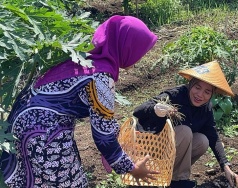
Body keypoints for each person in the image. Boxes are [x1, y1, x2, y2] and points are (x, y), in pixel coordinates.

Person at [0, 15, 159, 187]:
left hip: (25, 122)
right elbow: (103, 136)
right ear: (126, 46)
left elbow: (103, 120)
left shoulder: (85, 60)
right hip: (43, 131)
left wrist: (117, 138)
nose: (138, 59)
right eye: (138, 51)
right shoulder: (100, 78)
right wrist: (132, 168)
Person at [133, 61, 238, 188]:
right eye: (197, 88)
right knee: (185, 131)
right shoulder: (176, 95)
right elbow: (138, 110)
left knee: (203, 141)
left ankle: (171, 180)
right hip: (150, 150)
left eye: (207, 92)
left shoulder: (205, 108)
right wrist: (155, 109)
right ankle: (177, 181)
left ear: (212, 94)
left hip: (168, 153)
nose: (200, 95)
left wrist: (226, 167)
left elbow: (214, 137)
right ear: (190, 84)